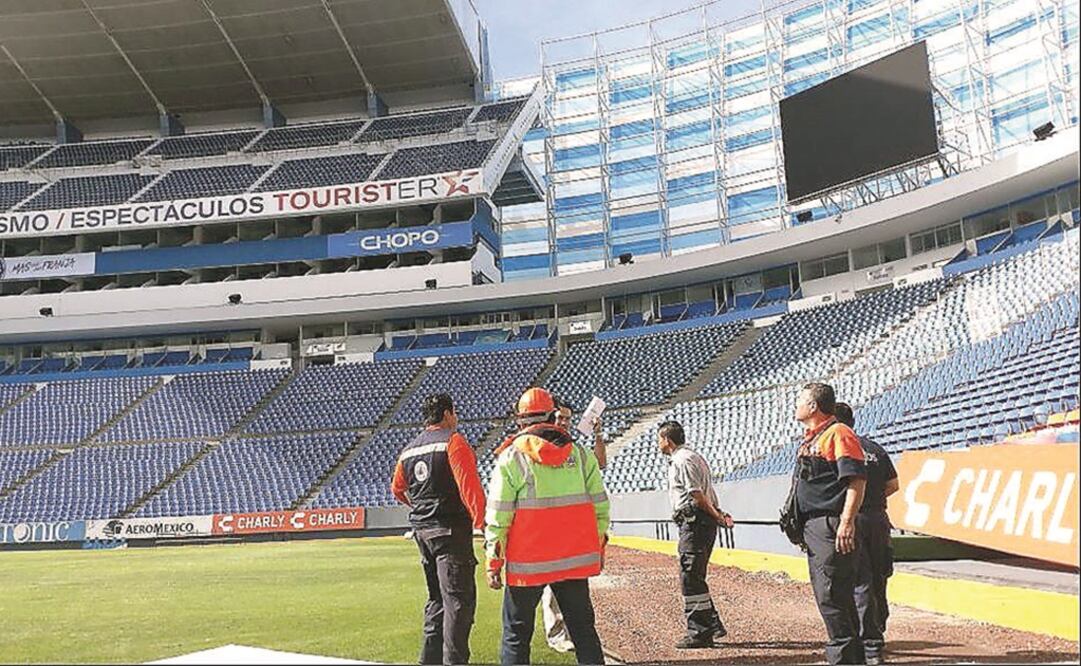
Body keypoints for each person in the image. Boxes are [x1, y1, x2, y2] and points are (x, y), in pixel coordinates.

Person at [485, 387, 609, 666]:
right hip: (573, 563)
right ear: (553, 416)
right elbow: (601, 509)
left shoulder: (511, 458)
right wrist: (599, 550)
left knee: (516, 636)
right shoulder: (581, 455)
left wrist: (493, 562)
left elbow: (498, 517)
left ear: (520, 421)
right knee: (584, 634)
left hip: (527, 566)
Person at [391, 393, 486, 665]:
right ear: (447, 414)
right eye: (454, 413)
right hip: (450, 533)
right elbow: (469, 489)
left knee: (436, 600)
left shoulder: (409, 450)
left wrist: (421, 507)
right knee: (458, 602)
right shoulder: (454, 442)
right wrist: (484, 525)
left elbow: (397, 489)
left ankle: (429, 660)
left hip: (423, 533)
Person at [793, 383, 867, 665]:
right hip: (816, 527)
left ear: (813, 406)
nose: (797, 405)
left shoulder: (839, 433)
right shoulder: (814, 438)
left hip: (830, 524)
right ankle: (850, 657)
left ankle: (843, 657)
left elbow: (856, 480)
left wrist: (846, 522)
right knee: (832, 594)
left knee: (831, 594)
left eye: (801, 400)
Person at [541, 396, 608, 653]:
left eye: (568, 418)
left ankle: (571, 633)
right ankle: (556, 634)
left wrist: (598, 434)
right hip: (548, 528)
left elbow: (600, 463)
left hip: (574, 529)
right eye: (560, 417)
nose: (564, 422)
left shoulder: (575, 450)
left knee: (574, 583)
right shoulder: (541, 448)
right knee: (552, 583)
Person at [658, 420, 733, 649]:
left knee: (690, 576)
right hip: (698, 521)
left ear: (667, 440)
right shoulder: (693, 457)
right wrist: (718, 513)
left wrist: (717, 515)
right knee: (695, 574)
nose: (658, 444)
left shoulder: (682, 460)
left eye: (659, 439)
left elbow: (697, 495)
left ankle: (700, 632)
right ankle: (712, 623)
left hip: (695, 522)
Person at [835, 402, 899, 666]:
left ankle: (869, 643)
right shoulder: (874, 448)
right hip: (878, 518)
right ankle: (878, 629)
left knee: (860, 581)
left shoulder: (838, 448)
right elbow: (893, 485)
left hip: (853, 519)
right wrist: (872, 498)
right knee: (879, 576)